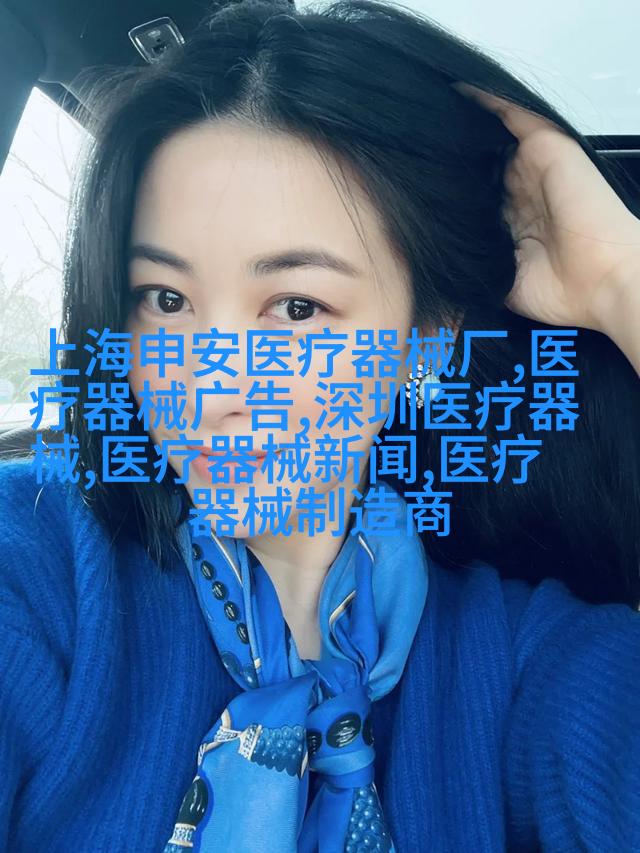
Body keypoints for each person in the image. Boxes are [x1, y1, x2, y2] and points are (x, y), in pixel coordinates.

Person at [1, 0, 639, 850]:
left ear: (426, 340)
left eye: (297, 308)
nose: (210, 390)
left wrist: (621, 279)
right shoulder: (40, 568)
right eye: (165, 299)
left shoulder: (527, 664)